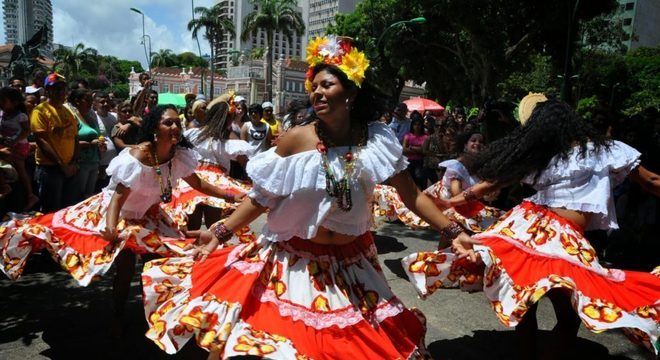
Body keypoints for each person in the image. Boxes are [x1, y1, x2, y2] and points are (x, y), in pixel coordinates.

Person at [141, 35, 472, 359]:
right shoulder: (296, 139)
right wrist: (220, 231)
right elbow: (261, 197)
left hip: (351, 266)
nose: (317, 93)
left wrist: (453, 232)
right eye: (314, 87)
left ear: (352, 93)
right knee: (271, 344)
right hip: (292, 262)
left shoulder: (378, 139)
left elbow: (412, 195)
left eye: (326, 85)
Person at [411, 98, 660, 358]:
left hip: (525, 226)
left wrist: (451, 201)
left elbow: (488, 185)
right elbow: (652, 180)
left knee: (525, 302)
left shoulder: (542, 156)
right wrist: (452, 200)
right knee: (569, 315)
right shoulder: (606, 150)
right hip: (559, 237)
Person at [0, 104, 250, 334]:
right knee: (126, 267)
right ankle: (118, 316)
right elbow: (118, 199)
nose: (175, 128)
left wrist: (231, 196)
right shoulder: (138, 156)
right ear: (154, 128)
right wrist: (110, 228)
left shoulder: (179, 155)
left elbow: (200, 184)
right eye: (168, 123)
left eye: (177, 123)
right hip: (118, 215)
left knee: (166, 261)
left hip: (149, 215)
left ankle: (158, 313)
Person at [167, 93, 253, 231]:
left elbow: (176, 150)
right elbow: (245, 162)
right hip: (215, 182)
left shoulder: (192, 133)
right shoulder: (228, 139)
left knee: (192, 226)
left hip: (191, 179)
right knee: (214, 227)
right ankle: (210, 250)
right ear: (228, 120)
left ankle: (193, 250)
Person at [31, 72, 79, 212]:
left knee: (69, 210)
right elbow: (41, 141)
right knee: (51, 210)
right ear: (48, 90)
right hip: (51, 168)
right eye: (56, 88)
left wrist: (74, 162)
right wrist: (61, 165)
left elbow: (75, 138)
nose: (60, 92)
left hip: (71, 167)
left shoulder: (68, 112)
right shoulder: (40, 111)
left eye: (63, 88)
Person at [0, 87, 39, 210]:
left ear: (15, 102)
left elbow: (27, 131)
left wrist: (14, 140)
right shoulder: (3, 114)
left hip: (19, 145)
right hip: (6, 144)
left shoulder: (21, 116)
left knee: (21, 170)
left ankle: (30, 194)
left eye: (3, 101)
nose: (0, 103)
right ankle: (5, 185)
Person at [67, 88, 106, 202]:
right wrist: (90, 144)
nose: (90, 103)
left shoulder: (91, 117)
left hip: (94, 162)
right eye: (87, 100)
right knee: (78, 198)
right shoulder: (72, 116)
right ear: (77, 101)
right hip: (81, 163)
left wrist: (101, 146)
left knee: (89, 198)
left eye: (91, 100)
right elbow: (68, 141)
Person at [403, 116, 429, 189]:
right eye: (415, 124)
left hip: (421, 162)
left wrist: (411, 147)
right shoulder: (408, 136)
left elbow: (424, 150)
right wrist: (418, 149)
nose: (417, 127)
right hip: (409, 162)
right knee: (410, 182)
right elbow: (404, 150)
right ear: (412, 126)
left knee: (420, 180)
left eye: (419, 124)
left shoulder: (426, 137)